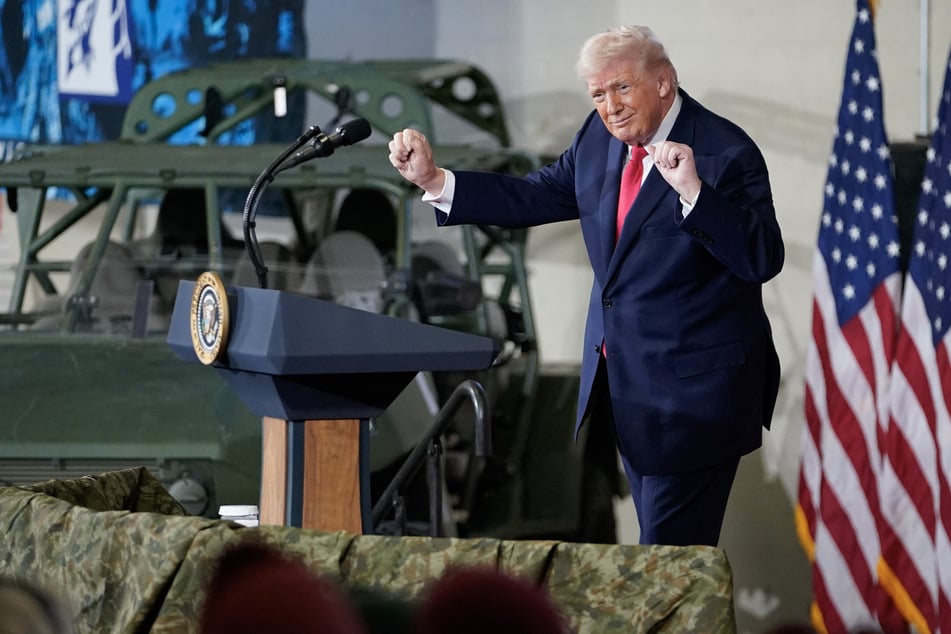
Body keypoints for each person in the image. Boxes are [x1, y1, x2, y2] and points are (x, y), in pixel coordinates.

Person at [387, 25, 783, 547]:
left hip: (694, 403)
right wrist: (437, 181)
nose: (610, 106)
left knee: (666, 567)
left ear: (664, 83)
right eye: (597, 94)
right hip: (627, 397)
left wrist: (693, 193)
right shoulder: (598, 140)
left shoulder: (725, 152)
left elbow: (761, 258)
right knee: (664, 564)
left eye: (621, 88)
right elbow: (537, 195)